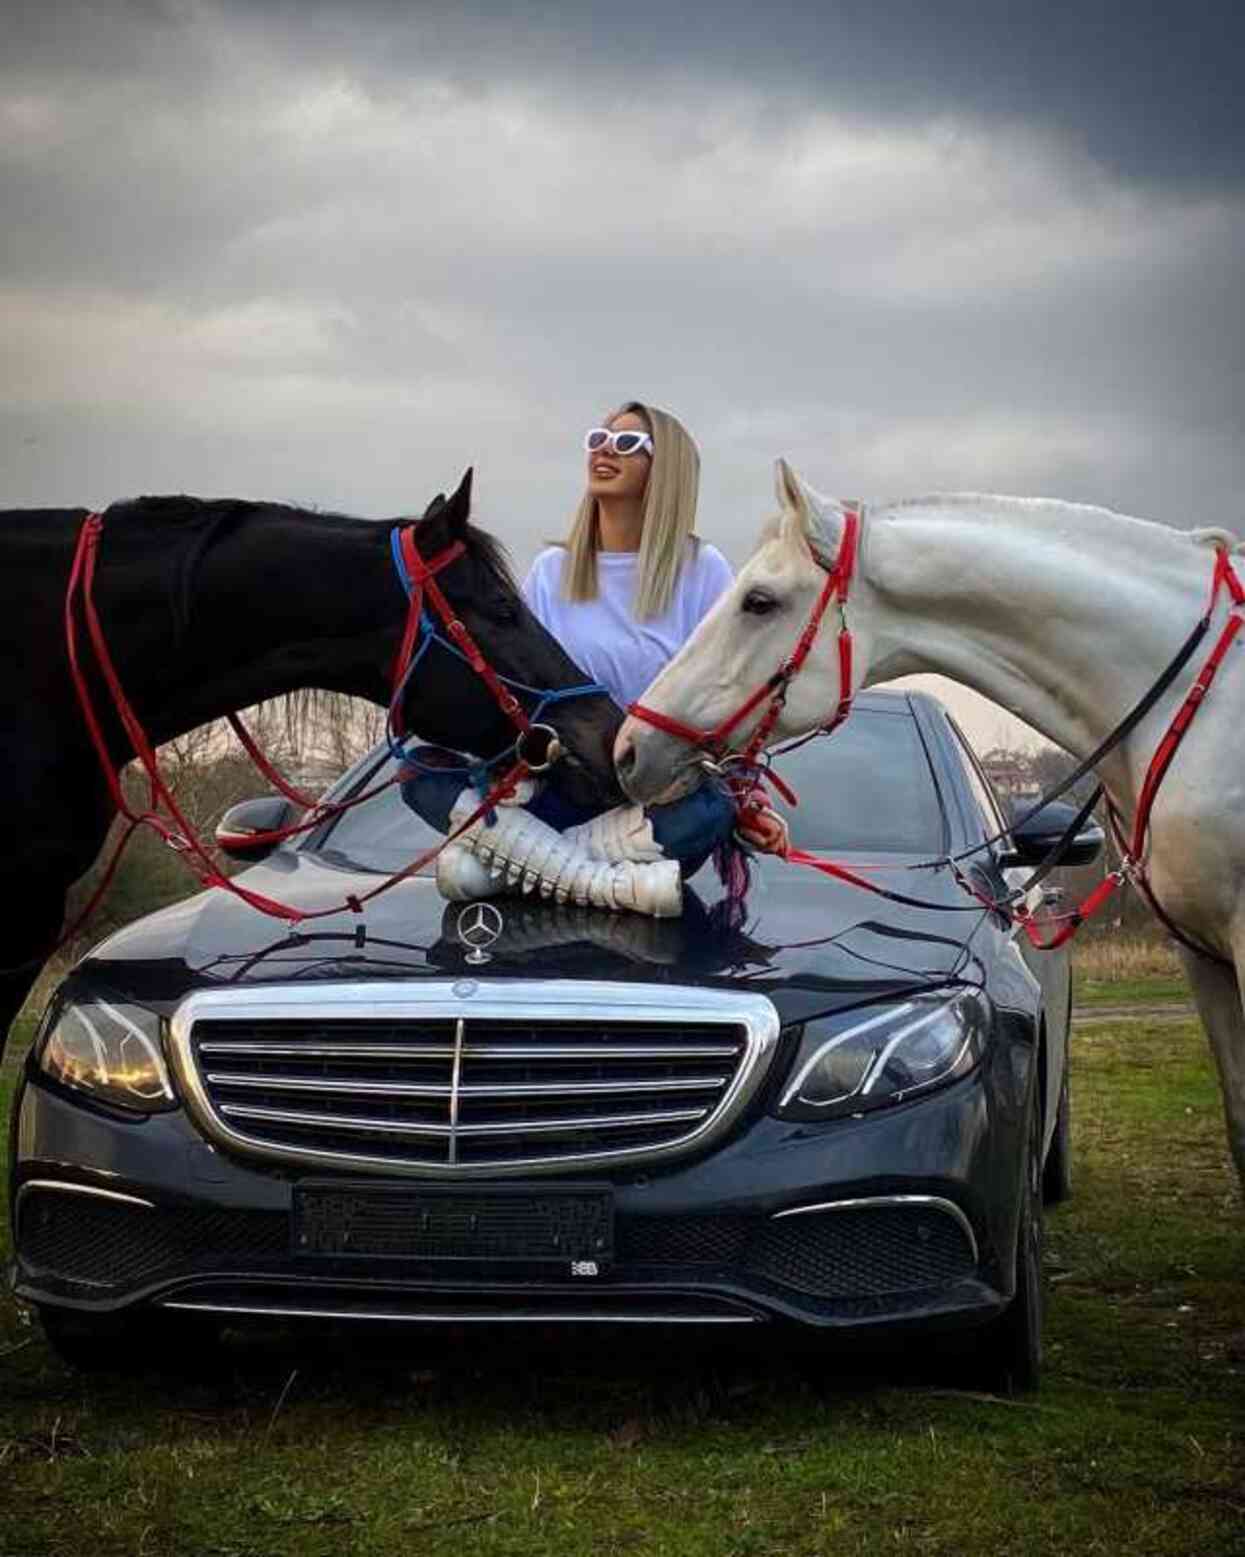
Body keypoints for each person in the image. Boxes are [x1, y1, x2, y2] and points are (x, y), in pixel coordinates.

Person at [401, 400, 785, 916]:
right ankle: (598, 883)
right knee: (416, 767)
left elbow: (729, 688)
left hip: (646, 803)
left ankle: (505, 869)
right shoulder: (551, 571)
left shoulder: (702, 570)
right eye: (598, 439)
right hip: (547, 795)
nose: (605, 450)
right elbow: (512, 689)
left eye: (627, 443)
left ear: (664, 470)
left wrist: (750, 802)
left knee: (712, 808)